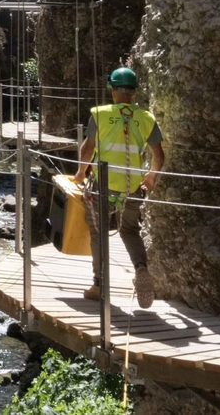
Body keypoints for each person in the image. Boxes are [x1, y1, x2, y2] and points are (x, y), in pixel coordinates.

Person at [73, 66, 165, 309]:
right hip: (132, 186)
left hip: (102, 186)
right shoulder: (146, 118)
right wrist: (151, 177)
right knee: (130, 230)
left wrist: (81, 172)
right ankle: (140, 268)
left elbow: (87, 148)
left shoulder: (100, 114)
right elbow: (159, 155)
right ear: (134, 92)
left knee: (98, 232)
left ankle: (99, 285)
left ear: (111, 89)